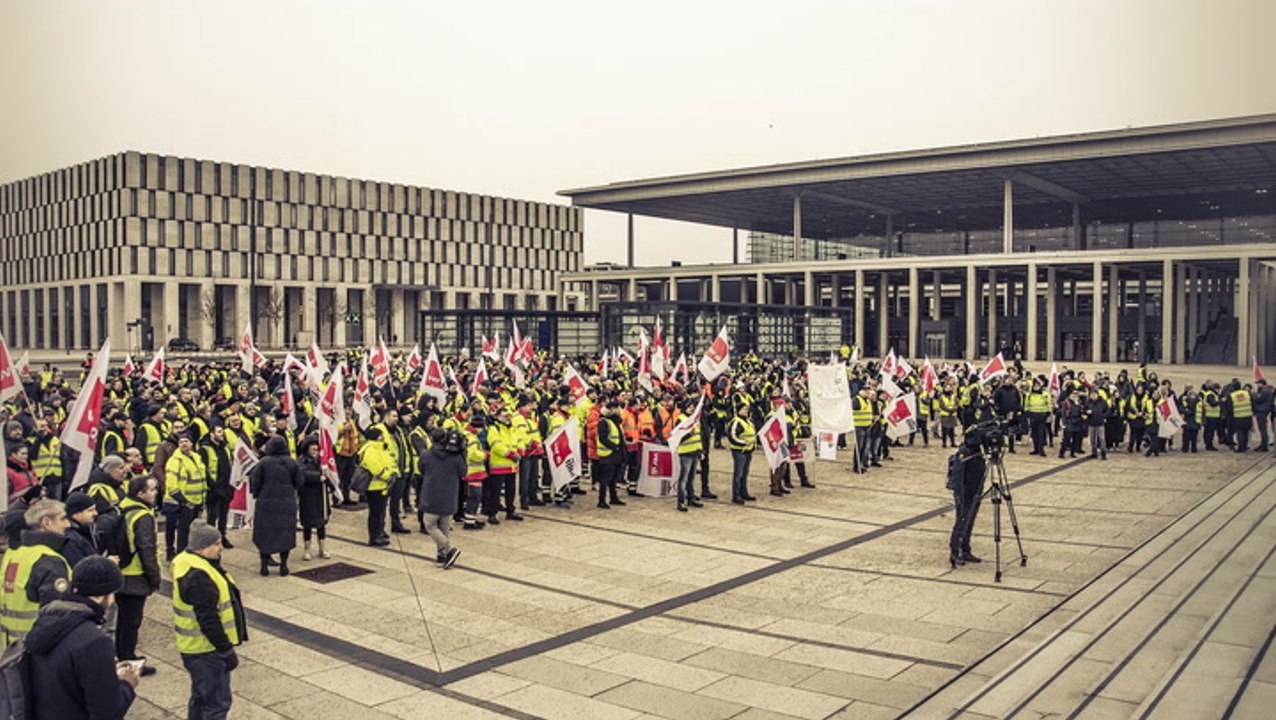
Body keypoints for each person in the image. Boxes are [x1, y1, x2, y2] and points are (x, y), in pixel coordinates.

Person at [25, 555, 139, 720]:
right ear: (101, 596)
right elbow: (107, 712)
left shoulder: (46, 623)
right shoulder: (95, 641)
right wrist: (127, 684)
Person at [172, 521, 247, 720]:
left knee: (201, 697)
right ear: (203, 547)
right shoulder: (199, 577)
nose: (221, 548)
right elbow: (208, 619)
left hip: (193, 648)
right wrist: (226, 649)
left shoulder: (187, 562)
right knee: (216, 703)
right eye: (216, 544)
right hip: (206, 650)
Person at [0, 500, 72, 646]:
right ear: (46, 522)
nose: (68, 524)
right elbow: (57, 614)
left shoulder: (15, 554)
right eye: (63, 518)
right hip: (39, 650)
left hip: (11, 648)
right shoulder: (48, 560)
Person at [115, 475, 161, 675]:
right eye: (151, 490)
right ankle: (128, 659)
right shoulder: (143, 516)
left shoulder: (122, 506)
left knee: (123, 619)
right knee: (132, 621)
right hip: (135, 573)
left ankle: (122, 654)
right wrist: (154, 576)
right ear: (140, 493)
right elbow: (147, 548)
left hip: (120, 570)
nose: (155, 493)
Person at [249, 436, 301, 576]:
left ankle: (264, 566)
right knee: (286, 534)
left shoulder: (263, 463)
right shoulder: (292, 462)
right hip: (286, 503)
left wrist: (257, 495)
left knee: (264, 534)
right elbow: (299, 482)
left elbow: (255, 482)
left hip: (266, 503)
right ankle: (283, 565)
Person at [419, 428, 464, 568]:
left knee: (430, 524)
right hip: (450, 494)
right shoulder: (456, 456)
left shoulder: (426, 455)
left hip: (431, 495)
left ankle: (449, 549)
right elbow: (463, 472)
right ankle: (442, 556)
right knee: (444, 526)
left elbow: (421, 469)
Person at [949, 432, 986, 568]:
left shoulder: (978, 452)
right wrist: (960, 495)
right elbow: (958, 476)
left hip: (975, 490)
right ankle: (955, 550)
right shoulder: (965, 452)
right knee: (962, 521)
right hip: (965, 493)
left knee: (969, 521)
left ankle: (965, 548)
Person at [359, 426, 397, 546]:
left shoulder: (381, 448)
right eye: (380, 435)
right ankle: (374, 537)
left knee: (380, 512)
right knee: (375, 513)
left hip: (382, 486)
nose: (382, 437)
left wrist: (393, 472)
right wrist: (387, 476)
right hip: (374, 486)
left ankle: (379, 533)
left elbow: (389, 461)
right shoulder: (370, 449)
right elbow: (375, 467)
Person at [297, 435, 332, 561]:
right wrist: (317, 477)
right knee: (307, 523)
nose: (315, 448)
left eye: (316, 445)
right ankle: (307, 549)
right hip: (308, 495)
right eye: (312, 445)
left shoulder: (323, 461)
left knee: (322, 523)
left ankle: (322, 548)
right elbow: (302, 474)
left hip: (321, 496)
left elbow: (330, 476)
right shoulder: (302, 460)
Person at [593, 401, 626, 509]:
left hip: (616, 454)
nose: (615, 411)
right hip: (608, 454)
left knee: (614, 478)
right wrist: (614, 447)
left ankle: (613, 497)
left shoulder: (616, 422)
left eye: (616, 409)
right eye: (612, 409)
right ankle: (601, 500)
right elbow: (603, 438)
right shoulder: (604, 422)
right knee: (605, 478)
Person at [60, 491, 102, 567]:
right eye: (90, 510)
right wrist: (105, 564)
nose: (95, 513)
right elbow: (81, 568)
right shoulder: (70, 540)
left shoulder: (84, 531)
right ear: (75, 514)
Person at [727, 403, 757, 504]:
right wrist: (743, 442)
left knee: (745, 473)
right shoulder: (736, 421)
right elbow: (732, 436)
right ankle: (736, 495)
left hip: (748, 450)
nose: (745, 411)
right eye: (743, 409)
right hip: (739, 450)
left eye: (746, 409)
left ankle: (744, 492)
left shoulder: (748, 421)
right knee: (738, 474)